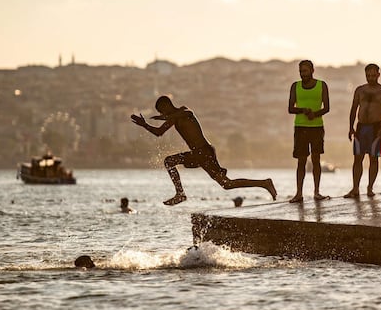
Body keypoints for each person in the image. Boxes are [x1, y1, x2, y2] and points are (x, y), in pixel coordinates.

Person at [132, 95, 277, 205]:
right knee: (169, 161)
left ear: (167, 105)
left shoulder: (184, 111)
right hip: (198, 154)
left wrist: (164, 117)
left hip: (205, 152)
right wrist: (144, 125)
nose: (163, 113)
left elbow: (186, 112)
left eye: (163, 110)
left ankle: (264, 183)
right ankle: (180, 194)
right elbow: (159, 133)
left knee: (227, 184)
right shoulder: (174, 119)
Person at [345, 64, 381, 198]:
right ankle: (355, 188)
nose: (371, 78)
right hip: (361, 127)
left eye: (373, 75)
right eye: (368, 76)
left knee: (374, 159)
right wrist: (351, 127)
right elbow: (354, 109)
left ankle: (370, 187)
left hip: (376, 127)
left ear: (378, 75)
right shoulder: (360, 90)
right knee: (357, 159)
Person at [288, 60, 330, 203]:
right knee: (301, 161)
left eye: (305, 71)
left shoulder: (322, 85)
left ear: (312, 70)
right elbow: (290, 108)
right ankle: (299, 193)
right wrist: (302, 110)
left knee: (316, 160)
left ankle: (317, 192)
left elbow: (327, 108)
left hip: (317, 127)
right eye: (300, 71)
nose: (303, 74)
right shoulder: (295, 86)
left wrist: (315, 114)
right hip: (300, 127)